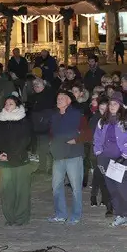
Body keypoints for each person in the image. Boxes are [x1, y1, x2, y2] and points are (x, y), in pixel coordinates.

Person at [94, 93, 127, 228]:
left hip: (122, 160)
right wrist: (99, 154)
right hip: (107, 159)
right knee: (112, 189)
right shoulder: (103, 121)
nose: (112, 106)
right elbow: (96, 138)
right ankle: (119, 215)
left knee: (122, 188)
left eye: (115, 104)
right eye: (110, 104)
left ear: (120, 105)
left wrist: (125, 155)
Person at [0, 95, 33, 226]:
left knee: (21, 190)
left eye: (11, 103)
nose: (7, 105)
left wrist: (10, 155)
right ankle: (9, 217)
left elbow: (26, 141)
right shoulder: (0, 120)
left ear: (17, 105)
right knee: (7, 190)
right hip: (4, 161)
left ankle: (21, 217)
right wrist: (0, 153)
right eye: (6, 103)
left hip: (20, 160)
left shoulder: (23, 121)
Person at [49, 91, 84, 225]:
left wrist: (77, 139)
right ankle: (60, 214)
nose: (59, 100)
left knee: (75, 187)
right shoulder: (54, 116)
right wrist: (52, 144)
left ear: (69, 101)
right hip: (58, 154)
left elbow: (87, 132)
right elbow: (51, 133)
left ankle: (76, 215)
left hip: (73, 154)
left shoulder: (77, 114)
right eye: (58, 98)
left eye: (62, 98)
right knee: (56, 185)